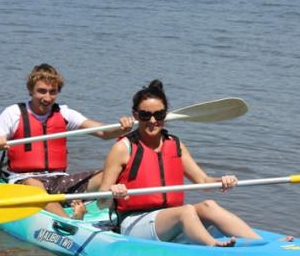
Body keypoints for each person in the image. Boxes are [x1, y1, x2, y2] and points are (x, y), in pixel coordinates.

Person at [97, 80, 268, 247]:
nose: (152, 121)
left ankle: (261, 243)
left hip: (170, 218)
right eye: (145, 115)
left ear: (166, 114)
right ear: (135, 116)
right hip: (133, 222)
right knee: (186, 211)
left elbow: (203, 182)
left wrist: (222, 180)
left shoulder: (176, 145)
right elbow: (101, 201)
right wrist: (113, 191)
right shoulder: (123, 148)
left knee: (209, 205)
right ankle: (214, 248)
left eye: (159, 115)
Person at [0, 63, 134, 220]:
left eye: (52, 92)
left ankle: (105, 213)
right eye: (41, 91)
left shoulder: (64, 113)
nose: (47, 98)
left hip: (58, 179)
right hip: (24, 180)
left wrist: (123, 128)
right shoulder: (13, 113)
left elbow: (103, 132)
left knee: (107, 175)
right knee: (35, 185)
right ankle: (69, 221)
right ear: (30, 90)